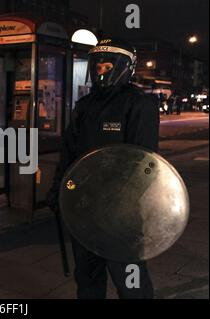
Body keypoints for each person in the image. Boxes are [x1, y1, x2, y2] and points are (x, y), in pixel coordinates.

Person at [47, 38, 159, 299]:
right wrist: (58, 189)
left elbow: (145, 163)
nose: (101, 72)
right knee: (87, 277)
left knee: (130, 283)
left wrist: (125, 204)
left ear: (123, 67)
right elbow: (70, 153)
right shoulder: (85, 106)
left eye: (107, 66)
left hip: (122, 214)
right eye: (97, 66)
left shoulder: (138, 104)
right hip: (84, 207)